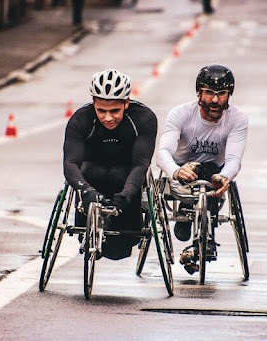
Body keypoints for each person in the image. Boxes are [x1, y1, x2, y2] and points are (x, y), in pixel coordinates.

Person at [156, 64, 248, 274]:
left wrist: (224, 177)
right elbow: (162, 153)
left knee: (210, 172)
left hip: (213, 173)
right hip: (180, 172)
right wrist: (176, 171)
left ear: (229, 95)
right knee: (197, 170)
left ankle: (205, 240)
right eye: (209, 93)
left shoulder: (238, 118)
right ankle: (186, 218)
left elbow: (234, 159)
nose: (215, 100)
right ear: (199, 93)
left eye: (221, 94)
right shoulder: (180, 114)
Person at [63, 68, 158, 260]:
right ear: (93, 104)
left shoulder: (144, 118)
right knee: (88, 171)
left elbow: (141, 164)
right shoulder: (81, 119)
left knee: (119, 252)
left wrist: (128, 193)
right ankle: (89, 225)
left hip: (125, 176)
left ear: (126, 103)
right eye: (101, 110)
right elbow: (71, 162)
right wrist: (85, 190)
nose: (108, 118)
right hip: (92, 173)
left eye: (114, 110)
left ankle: (120, 226)